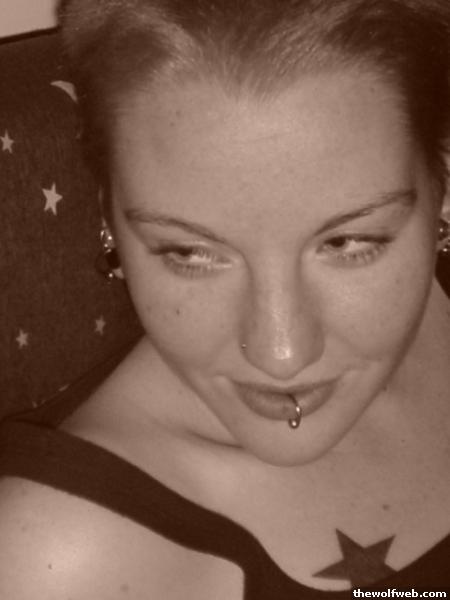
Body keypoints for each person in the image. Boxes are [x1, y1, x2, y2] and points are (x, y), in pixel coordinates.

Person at [1, 0, 450, 597]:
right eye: (189, 252)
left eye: (348, 243)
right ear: (109, 214)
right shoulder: (61, 556)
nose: (281, 355)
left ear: (444, 182)